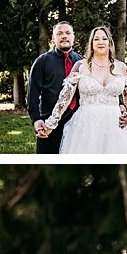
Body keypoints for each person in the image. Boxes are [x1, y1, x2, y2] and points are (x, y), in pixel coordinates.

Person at [39, 25, 127, 155]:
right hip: (86, 124)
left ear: (110, 43)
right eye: (96, 39)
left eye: (104, 38)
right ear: (91, 44)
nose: (101, 42)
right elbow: (65, 98)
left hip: (115, 126)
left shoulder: (122, 67)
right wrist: (51, 124)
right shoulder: (80, 66)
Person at [27, 20, 82, 154]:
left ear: (73, 37)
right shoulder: (42, 61)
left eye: (68, 33)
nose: (64, 36)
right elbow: (32, 94)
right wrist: (37, 119)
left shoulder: (83, 62)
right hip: (49, 123)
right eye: (59, 33)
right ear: (53, 38)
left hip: (77, 124)